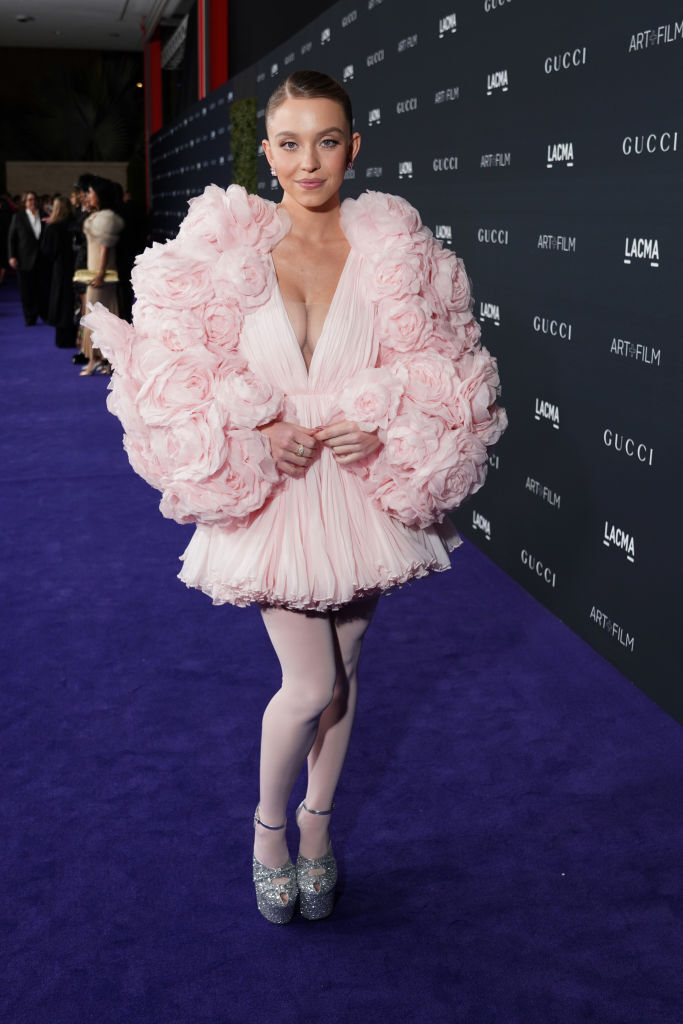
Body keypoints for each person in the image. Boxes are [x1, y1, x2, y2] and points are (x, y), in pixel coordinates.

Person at [84, 71, 506, 925]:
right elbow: (185, 372)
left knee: (345, 676)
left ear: (353, 146)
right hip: (273, 491)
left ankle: (319, 830)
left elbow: (438, 362)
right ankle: (269, 833)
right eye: (288, 142)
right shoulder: (228, 251)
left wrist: (379, 416)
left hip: (359, 492)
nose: (305, 160)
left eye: (325, 140)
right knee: (308, 683)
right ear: (267, 150)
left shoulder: (393, 252)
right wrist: (260, 427)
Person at [78, 177, 124, 375]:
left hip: (102, 277)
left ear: (100, 194)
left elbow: (105, 247)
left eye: (91, 192)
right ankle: (96, 359)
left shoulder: (107, 217)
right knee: (94, 316)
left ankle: (104, 360)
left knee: (102, 317)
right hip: (96, 272)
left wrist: (100, 274)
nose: (88, 196)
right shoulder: (99, 215)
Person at [40, 195, 77, 348]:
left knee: (60, 301)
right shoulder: (75, 225)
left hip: (60, 270)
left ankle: (62, 339)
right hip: (76, 268)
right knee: (73, 302)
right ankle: (75, 336)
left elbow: (47, 252)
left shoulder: (53, 228)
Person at [7, 190, 46, 325]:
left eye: (34, 199)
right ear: (24, 203)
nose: (32, 202)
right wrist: (12, 256)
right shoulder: (18, 217)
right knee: (26, 291)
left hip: (42, 259)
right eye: (29, 200)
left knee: (41, 288)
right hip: (24, 259)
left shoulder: (43, 215)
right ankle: (29, 317)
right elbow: (12, 238)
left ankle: (44, 315)